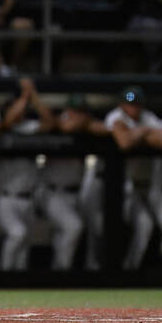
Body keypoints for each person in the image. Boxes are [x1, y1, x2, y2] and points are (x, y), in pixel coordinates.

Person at [0, 78, 54, 271]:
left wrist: (32, 96)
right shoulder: (3, 129)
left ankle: (19, 288)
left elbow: (50, 122)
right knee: (17, 234)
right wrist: (24, 96)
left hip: (29, 198)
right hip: (6, 197)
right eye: (14, 107)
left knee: (25, 242)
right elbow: (8, 120)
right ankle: (3, 277)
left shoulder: (29, 127)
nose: (19, 110)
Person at [43, 93, 106, 270]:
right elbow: (63, 126)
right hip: (52, 191)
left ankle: (58, 274)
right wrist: (81, 122)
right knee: (74, 227)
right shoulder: (57, 124)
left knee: (63, 235)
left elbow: (103, 128)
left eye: (81, 111)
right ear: (67, 110)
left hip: (75, 193)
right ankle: (62, 275)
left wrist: (85, 122)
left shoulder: (86, 128)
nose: (77, 114)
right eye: (74, 110)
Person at [104, 85, 162, 270]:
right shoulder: (115, 116)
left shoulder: (148, 117)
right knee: (143, 225)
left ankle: (133, 270)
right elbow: (125, 142)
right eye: (129, 105)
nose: (133, 109)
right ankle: (128, 271)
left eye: (137, 105)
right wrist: (145, 132)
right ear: (121, 105)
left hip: (152, 186)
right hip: (125, 188)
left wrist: (139, 131)